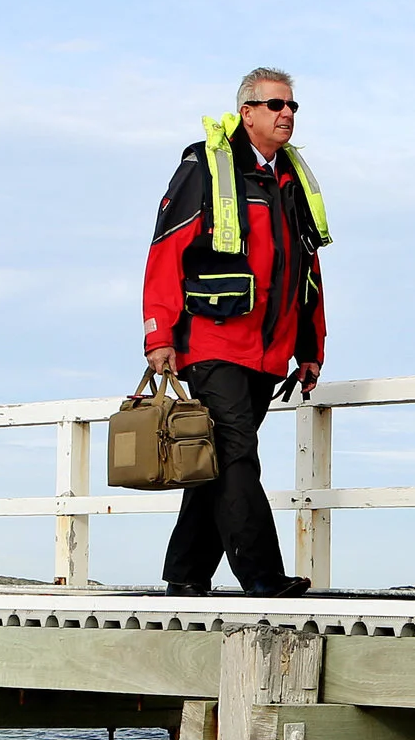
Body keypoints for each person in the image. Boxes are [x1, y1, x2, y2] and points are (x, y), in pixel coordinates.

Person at [141, 67, 330, 596]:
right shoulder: (205, 167)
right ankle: (263, 576)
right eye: (275, 105)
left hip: (269, 355)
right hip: (214, 342)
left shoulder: (291, 182)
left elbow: (308, 274)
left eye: (292, 106)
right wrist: (158, 334)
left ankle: (185, 575)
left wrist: (311, 349)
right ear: (247, 113)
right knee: (238, 455)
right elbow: (165, 253)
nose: (287, 114)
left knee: (219, 460)